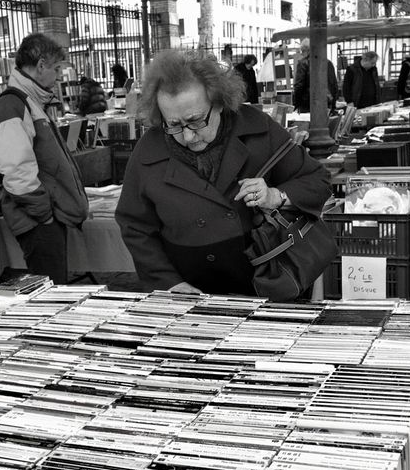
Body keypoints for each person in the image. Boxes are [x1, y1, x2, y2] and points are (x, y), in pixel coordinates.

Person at [114, 49, 331, 295]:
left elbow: (318, 181)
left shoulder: (258, 130)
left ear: (218, 103)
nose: (187, 135)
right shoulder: (149, 150)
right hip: (190, 292)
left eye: (195, 120)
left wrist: (275, 195)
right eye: (173, 124)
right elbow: (134, 226)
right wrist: (168, 283)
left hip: (266, 284)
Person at [0, 33, 89, 285]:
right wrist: (45, 215)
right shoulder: (13, 105)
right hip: (37, 221)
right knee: (50, 293)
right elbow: (17, 172)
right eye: (55, 69)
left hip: (42, 218)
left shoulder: (29, 101)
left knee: (54, 288)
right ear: (40, 65)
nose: (58, 76)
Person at [293, 41, 338, 113]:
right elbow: (334, 85)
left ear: (307, 50)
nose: (301, 54)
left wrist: (296, 104)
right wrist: (333, 105)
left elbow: (299, 86)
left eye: (302, 51)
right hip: (326, 104)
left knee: (309, 124)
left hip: (308, 105)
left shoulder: (303, 63)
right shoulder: (328, 62)